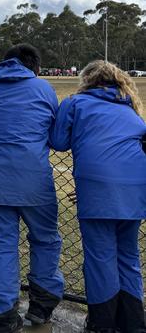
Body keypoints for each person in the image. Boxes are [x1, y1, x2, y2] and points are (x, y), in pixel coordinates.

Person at [0, 44, 64, 332]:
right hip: (35, 180)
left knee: (1, 244)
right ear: (34, 66)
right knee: (46, 240)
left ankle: (4, 312)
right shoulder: (44, 89)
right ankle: (42, 306)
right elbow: (54, 133)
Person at [50, 60, 146, 333]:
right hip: (136, 187)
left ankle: (102, 323)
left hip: (97, 186)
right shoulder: (129, 108)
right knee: (128, 255)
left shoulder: (76, 103)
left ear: (86, 80)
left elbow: (58, 141)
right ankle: (133, 322)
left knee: (100, 257)